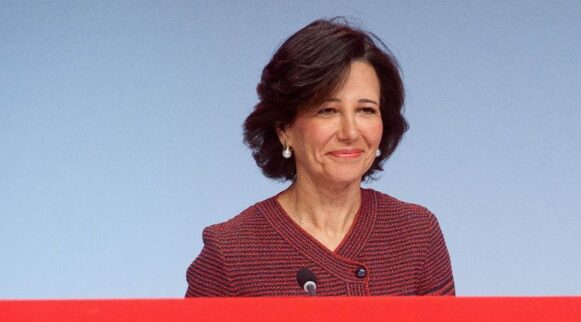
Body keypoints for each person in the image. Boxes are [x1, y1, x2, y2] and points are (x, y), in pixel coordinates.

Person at [185, 18, 455, 296]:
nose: (350, 132)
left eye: (366, 110)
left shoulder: (417, 233)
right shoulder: (230, 252)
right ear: (285, 129)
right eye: (328, 110)